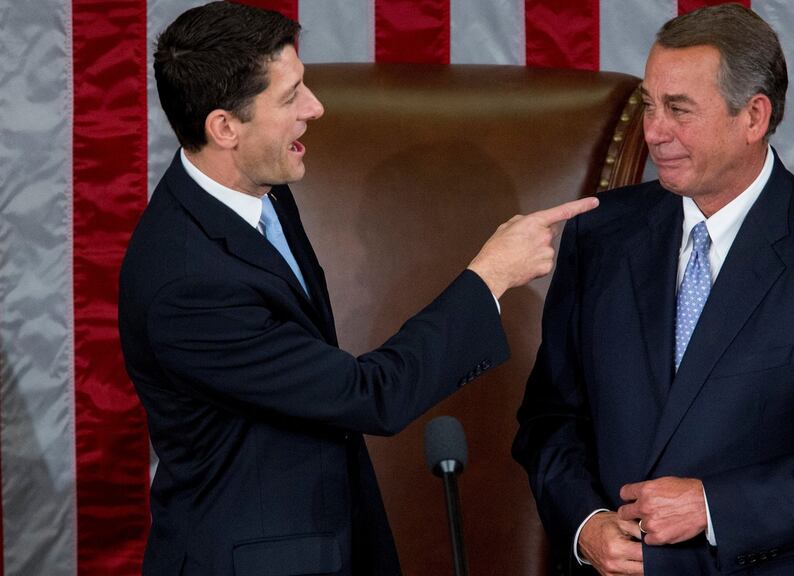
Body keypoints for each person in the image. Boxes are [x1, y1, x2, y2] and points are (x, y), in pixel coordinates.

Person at [118, 2, 595, 575]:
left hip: (330, 538)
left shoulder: (260, 189)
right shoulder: (189, 284)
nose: (315, 108)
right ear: (224, 127)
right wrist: (490, 277)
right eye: (291, 96)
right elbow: (367, 395)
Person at [512, 5, 794, 575]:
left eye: (679, 110)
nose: (654, 132)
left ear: (753, 116)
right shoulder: (599, 234)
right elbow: (549, 420)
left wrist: (713, 506)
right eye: (650, 106)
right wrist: (586, 525)